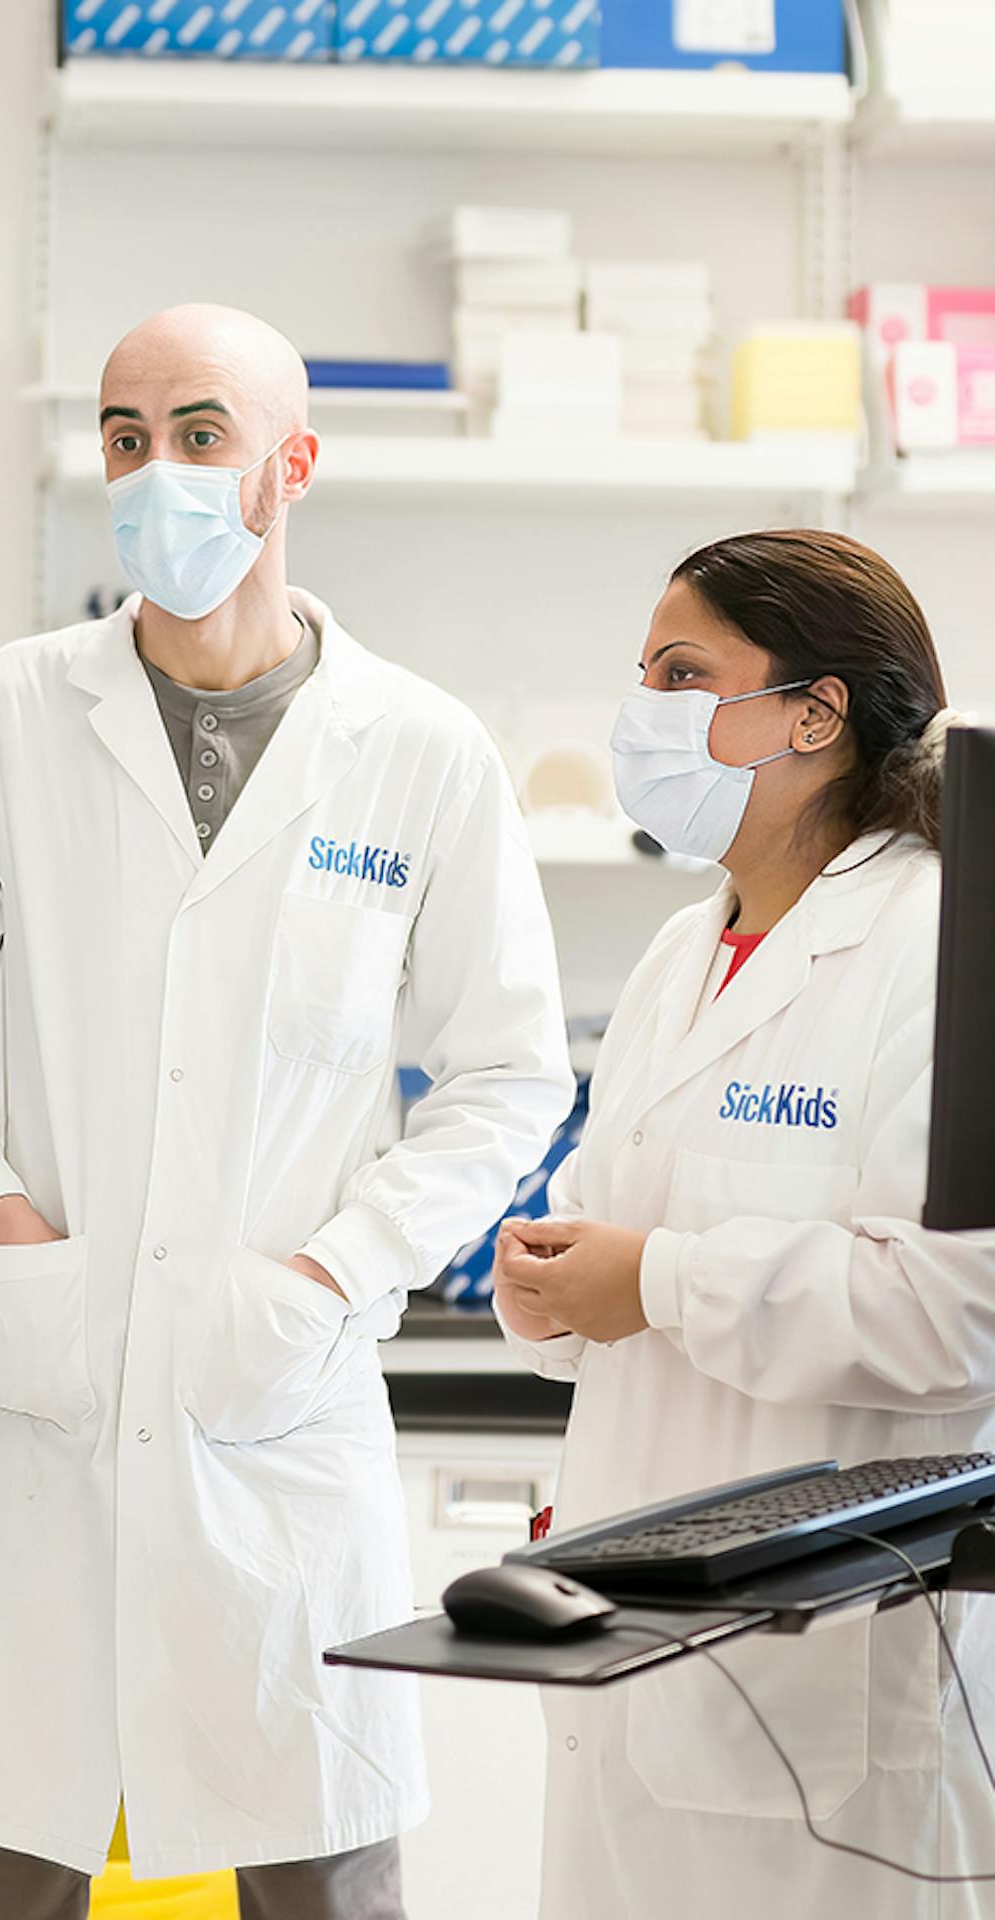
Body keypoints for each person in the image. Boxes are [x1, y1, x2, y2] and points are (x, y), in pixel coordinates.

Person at [0, 304, 575, 1915]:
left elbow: (510, 1071)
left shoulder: (422, 753)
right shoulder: (5, 713)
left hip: (276, 1408)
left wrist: (332, 1273)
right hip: (46, 1399)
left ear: (290, 464)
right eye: (123, 434)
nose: (153, 466)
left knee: (323, 1880)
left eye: (199, 432)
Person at [493, 529, 995, 1916]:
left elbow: (960, 1315)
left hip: (824, 1696)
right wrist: (547, 1285)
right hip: (620, 1639)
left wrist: (656, 1283)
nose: (641, 709)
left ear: (815, 711)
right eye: (641, 671)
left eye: (683, 671)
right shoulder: (679, 948)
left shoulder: (942, 946)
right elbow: (606, 1218)